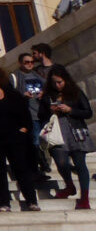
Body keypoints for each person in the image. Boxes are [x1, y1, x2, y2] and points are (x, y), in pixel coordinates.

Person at [0, 66, 39, 212]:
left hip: (14, 136)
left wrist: (24, 129)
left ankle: (31, 201)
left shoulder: (12, 94)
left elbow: (24, 113)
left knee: (21, 168)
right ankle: (4, 202)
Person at [39, 65, 94, 209]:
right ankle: (69, 185)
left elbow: (88, 112)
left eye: (60, 82)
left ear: (66, 80)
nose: (57, 85)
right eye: (54, 83)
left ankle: (84, 198)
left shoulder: (75, 92)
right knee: (61, 162)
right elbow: (40, 116)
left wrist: (70, 110)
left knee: (80, 164)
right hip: (57, 133)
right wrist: (49, 111)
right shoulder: (47, 96)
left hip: (75, 131)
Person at [12, 52, 50, 174]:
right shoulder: (15, 77)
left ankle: (45, 162)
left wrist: (43, 93)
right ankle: (42, 163)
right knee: (35, 140)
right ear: (20, 63)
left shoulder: (37, 75)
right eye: (26, 62)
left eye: (32, 62)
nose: (29, 64)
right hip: (29, 113)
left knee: (45, 139)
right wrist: (22, 95)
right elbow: (10, 94)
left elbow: (47, 88)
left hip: (42, 112)